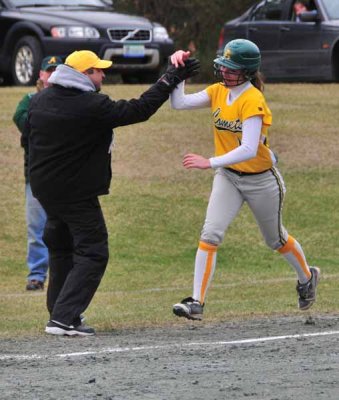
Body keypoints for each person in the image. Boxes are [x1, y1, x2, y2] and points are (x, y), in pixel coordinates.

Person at [25, 50, 199, 336]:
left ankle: (61, 313)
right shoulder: (91, 104)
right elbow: (139, 109)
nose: (103, 75)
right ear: (83, 74)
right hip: (75, 193)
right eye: (98, 70)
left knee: (61, 249)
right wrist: (170, 78)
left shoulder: (41, 99)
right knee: (93, 251)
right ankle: (63, 318)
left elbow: (29, 135)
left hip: (44, 190)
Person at [169, 39, 320, 321]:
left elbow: (249, 149)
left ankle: (307, 277)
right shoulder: (217, 91)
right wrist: (177, 71)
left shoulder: (253, 99)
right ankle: (196, 302)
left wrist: (209, 162)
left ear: (247, 72)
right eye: (224, 66)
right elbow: (178, 103)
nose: (225, 72)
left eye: (232, 68)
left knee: (275, 239)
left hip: (261, 179)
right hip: (228, 177)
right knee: (210, 234)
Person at [13, 56, 63, 291]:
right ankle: (36, 275)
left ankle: (63, 274)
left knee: (64, 227)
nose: (52, 75)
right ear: (40, 76)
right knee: (37, 229)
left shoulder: (70, 100)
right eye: (48, 71)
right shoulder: (29, 101)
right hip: (35, 177)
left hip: (64, 178)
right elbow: (24, 122)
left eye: (56, 70)